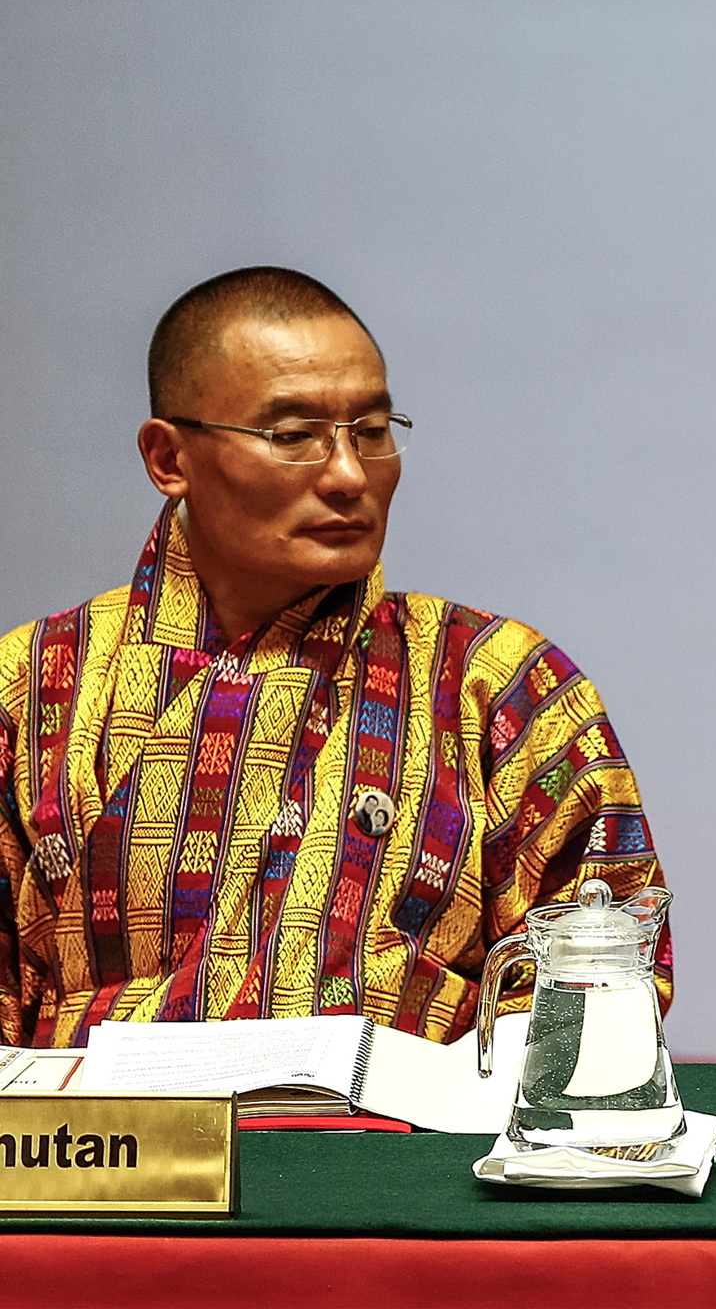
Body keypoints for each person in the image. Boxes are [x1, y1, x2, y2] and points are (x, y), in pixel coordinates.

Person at [0, 267, 668, 1046]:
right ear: (169, 460)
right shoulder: (34, 683)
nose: (350, 475)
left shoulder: (499, 682)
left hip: (415, 1155)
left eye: (373, 432)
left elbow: (612, 967)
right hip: (116, 1158)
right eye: (294, 437)